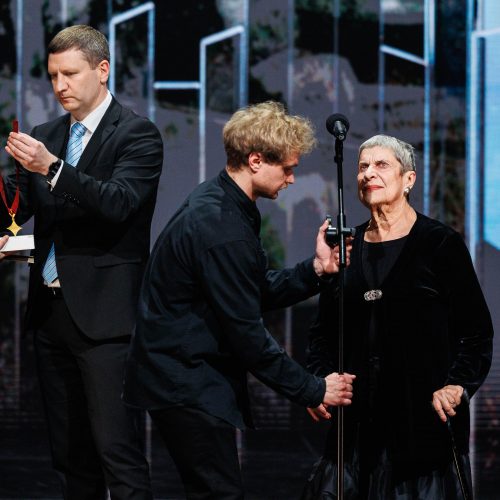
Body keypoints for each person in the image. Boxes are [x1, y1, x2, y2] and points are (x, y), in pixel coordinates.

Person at [123, 101, 355, 499]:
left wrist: (316, 271)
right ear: (255, 160)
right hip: (185, 382)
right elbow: (247, 334)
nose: (292, 179)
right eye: (287, 168)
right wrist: (312, 389)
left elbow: (251, 289)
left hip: (186, 376)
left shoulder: (227, 204)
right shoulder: (220, 224)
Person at [2, 25, 163, 499]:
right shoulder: (45, 135)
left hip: (106, 321)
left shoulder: (137, 134)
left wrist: (52, 167)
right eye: (53, 75)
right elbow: (16, 210)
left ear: (102, 69)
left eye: (70, 73)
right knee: (71, 458)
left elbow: (117, 203)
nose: (60, 85)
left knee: (118, 452)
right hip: (51, 315)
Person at [301, 134, 494, 499]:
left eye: (381, 165)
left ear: (409, 179)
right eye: (362, 167)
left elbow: (477, 332)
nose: (368, 173)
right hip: (355, 437)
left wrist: (458, 385)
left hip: (422, 434)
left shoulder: (440, 244)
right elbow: (322, 334)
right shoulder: (344, 250)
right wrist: (318, 381)